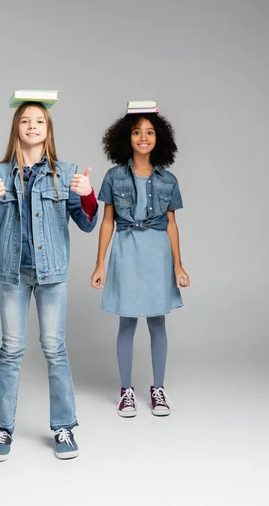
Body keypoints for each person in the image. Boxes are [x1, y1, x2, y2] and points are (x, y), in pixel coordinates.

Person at [0, 101, 98, 460]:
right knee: (11, 351)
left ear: (48, 130)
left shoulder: (65, 173)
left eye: (39, 120)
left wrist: (87, 194)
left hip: (51, 275)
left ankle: (64, 427)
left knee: (55, 350)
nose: (33, 125)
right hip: (13, 274)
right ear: (16, 128)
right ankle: (3, 430)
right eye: (25, 120)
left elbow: (87, 224)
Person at [91, 112, 190, 418]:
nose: (143, 137)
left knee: (158, 322)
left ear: (160, 138)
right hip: (126, 250)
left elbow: (172, 225)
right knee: (127, 321)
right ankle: (126, 391)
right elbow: (107, 221)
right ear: (126, 137)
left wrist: (179, 265)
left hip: (157, 252)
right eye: (137, 132)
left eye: (149, 132)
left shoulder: (168, 180)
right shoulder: (114, 176)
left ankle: (157, 388)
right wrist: (100, 264)